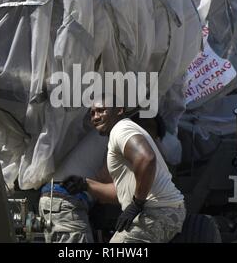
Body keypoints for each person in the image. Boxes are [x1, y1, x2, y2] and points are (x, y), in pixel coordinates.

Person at [61, 97, 186, 243]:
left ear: (120, 110)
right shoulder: (121, 133)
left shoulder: (121, 129)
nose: (95, 117)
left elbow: (146, 158)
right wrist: (86, 184)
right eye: (92, 113)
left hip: (156, 212)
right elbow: (122, 191)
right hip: (167, 212)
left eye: (101, 110)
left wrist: (136, 204)